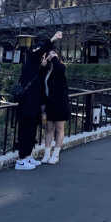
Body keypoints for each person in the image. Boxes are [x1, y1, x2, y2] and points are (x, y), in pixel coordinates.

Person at [14, 38, 45, 171]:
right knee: (25, 130)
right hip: (26, 104)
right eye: (41, 54)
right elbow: (38, 53)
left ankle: (27, 155)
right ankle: (21, 160)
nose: (43, 57)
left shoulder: (36, 67)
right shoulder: (30, 61)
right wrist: (53, 39)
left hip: (34, 104)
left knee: (32, 131)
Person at [41, 34, 70, 165]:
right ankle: (46, 153)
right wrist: (44, 63)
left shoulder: (60, 68)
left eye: (53, 53)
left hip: (60, 102)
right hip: (49, 103)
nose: (51, 55)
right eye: (49, 53)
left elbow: (60, 68)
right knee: (48, 128)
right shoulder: (46, 70)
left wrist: (54, 59)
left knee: (59, 128)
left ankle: (56, 154)